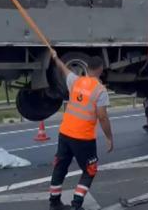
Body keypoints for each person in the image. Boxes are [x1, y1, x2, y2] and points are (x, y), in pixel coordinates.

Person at [48, 50, 114, 210]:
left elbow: (64, 70)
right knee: (90, 170)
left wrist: (56, 57)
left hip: (65, 133)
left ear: (88, 68)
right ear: (100, 69)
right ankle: (76, 205)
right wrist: (109, 137)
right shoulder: (100, 90)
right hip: (83, 138)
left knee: (60, 167)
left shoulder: (76, 81)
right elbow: (103, 117)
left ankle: (54, 203)